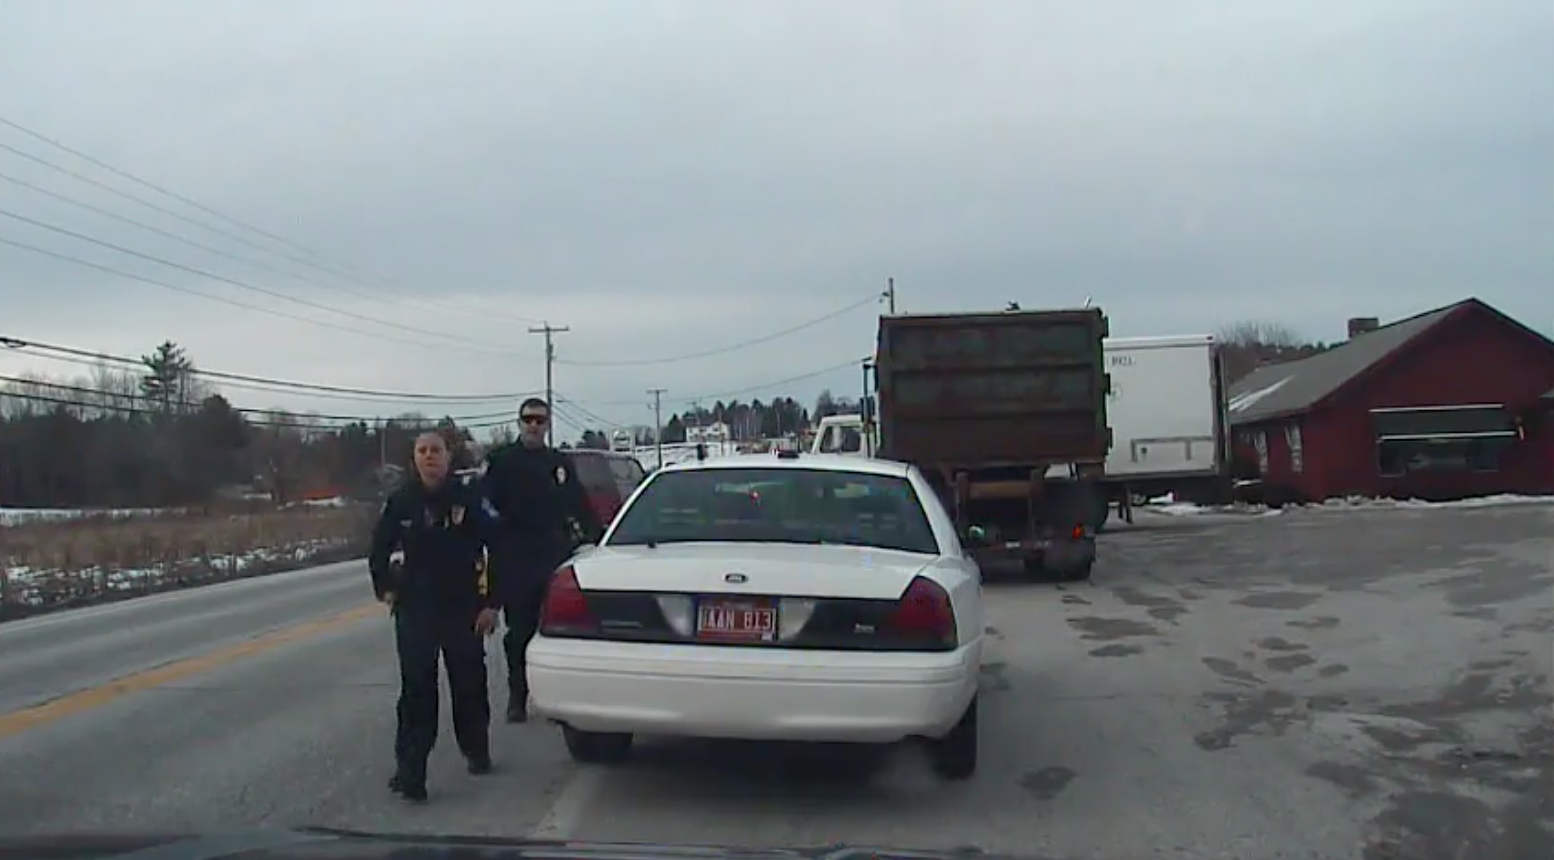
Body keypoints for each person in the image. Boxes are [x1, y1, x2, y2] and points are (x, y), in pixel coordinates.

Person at [369, 431, 502, 803]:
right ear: (414, 459)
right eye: (422, 451)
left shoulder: (469, 499)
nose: (430, 457)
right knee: (416, 692)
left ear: (448, 457)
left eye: (436, 451)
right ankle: (411, 771)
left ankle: (476, 749)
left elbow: (499, 548)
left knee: (468, 685)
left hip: (463, 609)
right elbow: (378, 550)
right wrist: (386, 588)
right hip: (416, 610)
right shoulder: (401, 502)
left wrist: (492, 603)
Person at [481, 397, 604, 722]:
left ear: (548, 424)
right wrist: (496, 536)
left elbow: (579, 504)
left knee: (557, 632)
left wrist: (600, 539)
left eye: (540, 420)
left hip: (554, 555)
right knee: (519, 633)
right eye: (528, 420)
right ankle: (518, 696)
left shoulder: (559, 462)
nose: (534, 425)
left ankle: (553, 699)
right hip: (517, 558)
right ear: (519, 423)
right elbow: (485, 506)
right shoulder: (502, 461)